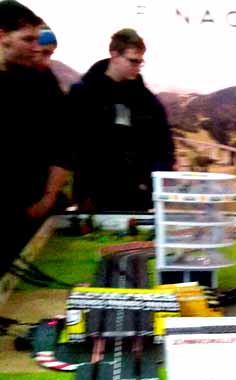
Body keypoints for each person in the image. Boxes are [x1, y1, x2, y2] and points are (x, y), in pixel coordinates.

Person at [68, 28, 174, 213]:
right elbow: (70, 145)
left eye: (141, 61)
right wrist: (83, 194)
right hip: (93, 197)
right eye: (133, 60)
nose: (138, 66)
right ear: (115, 55)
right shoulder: (83, 94)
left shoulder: (147, 101)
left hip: (137, 196)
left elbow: (164, 146)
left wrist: (153, 187)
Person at [0, 0, 69, 273]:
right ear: (2, 35)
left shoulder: (41, 81)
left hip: (31, 211)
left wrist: (48, 198)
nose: (35, 48)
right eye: (28, 39)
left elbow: (64, 142)